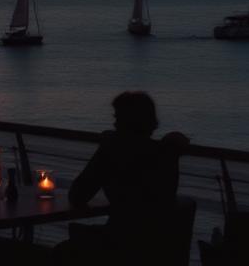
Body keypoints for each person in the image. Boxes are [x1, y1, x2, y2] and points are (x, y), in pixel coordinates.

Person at [63, 91, 189, 259]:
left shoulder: (112, 151)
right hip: (159, 246)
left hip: (119, 243)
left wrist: (107, 145)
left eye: (117, 118)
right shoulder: (165, 152)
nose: (114, 124)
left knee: (63, 252)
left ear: (124, 122)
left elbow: (78, 195)